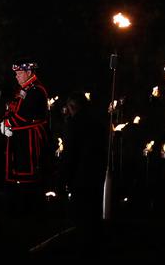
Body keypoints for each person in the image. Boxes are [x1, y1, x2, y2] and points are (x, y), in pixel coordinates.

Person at [61, 92, 107, 247]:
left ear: (72, 107)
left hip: (80, 176)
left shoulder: (73, 125)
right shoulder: (98, 124)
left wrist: (64, 178)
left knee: (80, 216)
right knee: (93, 214)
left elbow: (70, 154)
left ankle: (81, 246)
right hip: (96, 174)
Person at [1, 61, 49, 188]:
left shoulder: (36, 90)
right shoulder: (25, 88)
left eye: (20, 73)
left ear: (29, 72)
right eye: (16, 74)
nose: (16, 76)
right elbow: (13, 106)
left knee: (28, 170)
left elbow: (26, 115)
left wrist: (8, 122)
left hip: (30, 137)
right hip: (21, 136)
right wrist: (6, 119)